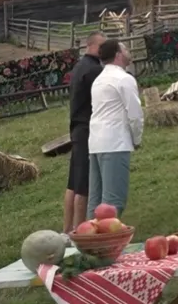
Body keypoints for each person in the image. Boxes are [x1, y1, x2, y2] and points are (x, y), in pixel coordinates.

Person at [87, 39, 143, 219]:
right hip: (115, 143)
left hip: (96, 142)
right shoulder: (124, 79)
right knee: (113, 203)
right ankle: (105, 243)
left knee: (95, 202)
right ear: (118, 54)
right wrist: (137, 139)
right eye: (125, 48)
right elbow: (134, 114)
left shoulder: (99, 80)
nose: (128, 51)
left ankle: (89, 240)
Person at [63, 32, 106, 233]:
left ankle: (66, 230)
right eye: (102, 46)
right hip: (87, 129)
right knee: (83, 186)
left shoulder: (79, 67)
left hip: (76, 129)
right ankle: (79, 232)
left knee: (72, 183)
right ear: (92, 46)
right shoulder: (94, 70)